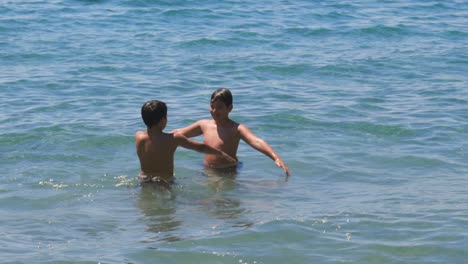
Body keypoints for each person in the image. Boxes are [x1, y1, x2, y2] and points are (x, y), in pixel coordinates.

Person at [174, 88, 290, 176]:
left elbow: (256, 141)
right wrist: (158, 135)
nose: (214, 111)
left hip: (228, 171)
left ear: (230, 108)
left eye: (219, 107)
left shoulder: (236, 128)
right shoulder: (204, 125)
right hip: (207, 169)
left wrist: (275, 157)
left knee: (223, 202)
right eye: (212, 106)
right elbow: (179, 133)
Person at [135, 100, 236, 185]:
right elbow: (200, 147)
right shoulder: (173, 139)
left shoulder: (138, 136)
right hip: (165, 182)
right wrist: (221, 153)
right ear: (163, 120)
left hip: (144, 180)